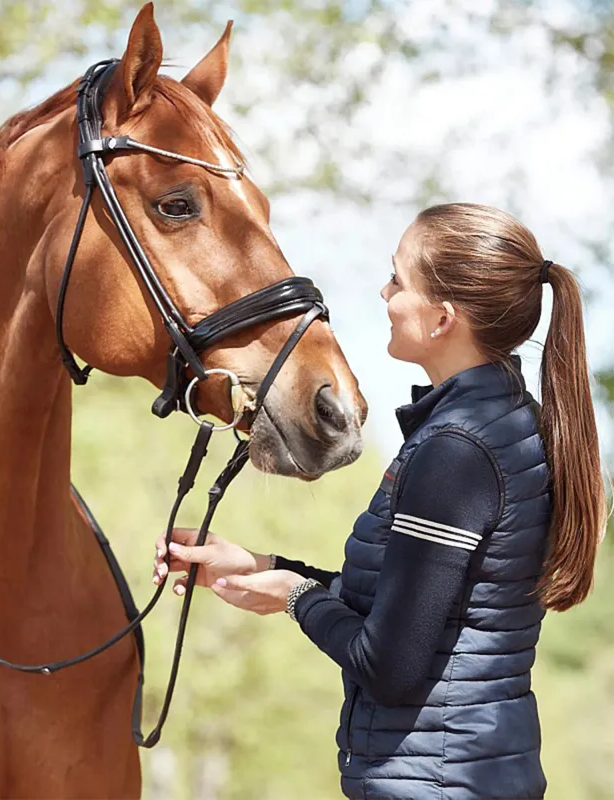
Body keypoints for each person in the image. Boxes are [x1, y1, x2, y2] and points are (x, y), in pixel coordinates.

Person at [153, 203, 608, 800]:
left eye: (398, 279)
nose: (383, 292)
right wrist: (265, 567)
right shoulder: (504, 423)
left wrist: (295, 596)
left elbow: (389, 667)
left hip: (436, 783)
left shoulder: (457, 453)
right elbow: (413, 607)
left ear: (442, 319)